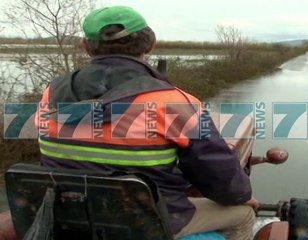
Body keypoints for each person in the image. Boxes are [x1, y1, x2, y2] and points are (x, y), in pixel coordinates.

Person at [34, 6, 258, 240]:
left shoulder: (50, 94)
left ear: (86, 46)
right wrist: (242, 195)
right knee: (243, 214)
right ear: (150, 43)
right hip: (148, 219)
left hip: (69, 214)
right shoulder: (175, 102)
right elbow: (218, 172)